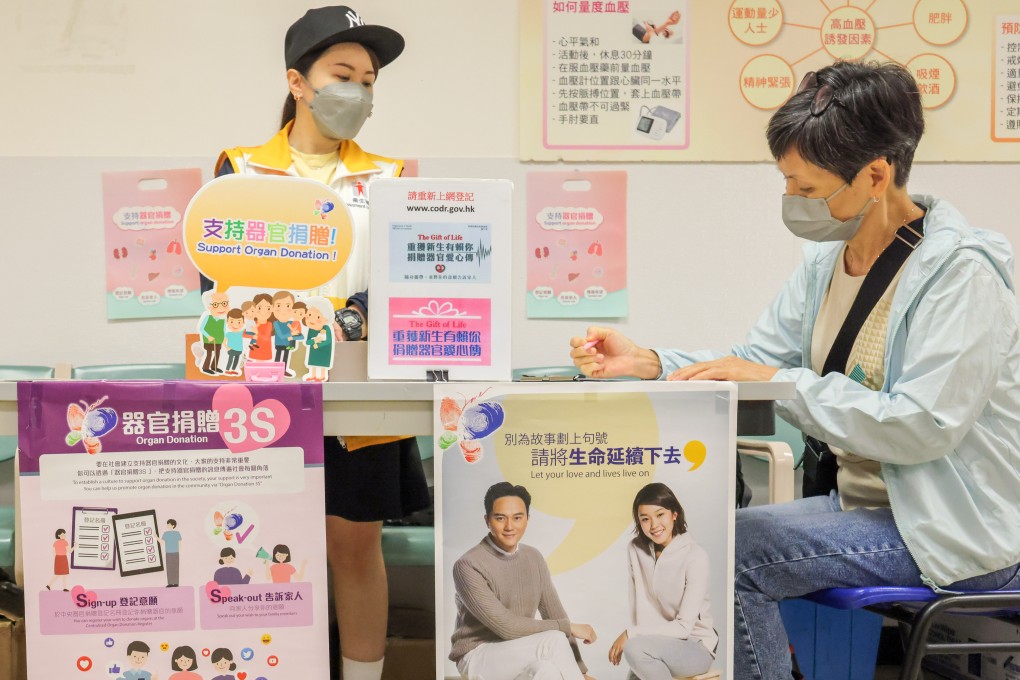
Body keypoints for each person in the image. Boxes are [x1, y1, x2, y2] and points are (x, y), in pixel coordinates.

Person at [570, 60, 1020, 679]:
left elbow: (923, 426)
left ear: (876, 174)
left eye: (807, 189)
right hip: (868, 507)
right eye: (787, 183)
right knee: (715, 538)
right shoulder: (825, 264)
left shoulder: (961, 274)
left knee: (731, 554)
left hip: (954, 528)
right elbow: (755, 362)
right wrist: (648, 361)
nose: (793, 202)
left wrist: (786, 385)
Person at [212, 8, 430, 679]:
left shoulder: (392, 175)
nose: (358, 92)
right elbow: (215, 279)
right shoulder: (241, 167)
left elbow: (407, 281)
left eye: (368, 81)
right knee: (267, 545)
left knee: (356, 549)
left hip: (362, 393)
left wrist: (355, 317)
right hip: (264, 390)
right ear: (297, 82)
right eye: (343, 74)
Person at [450, 482, 596, 680]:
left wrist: (580, 670)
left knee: (547, 671)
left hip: (521, 650)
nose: (509, 526)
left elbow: (555, 614)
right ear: (487, 520)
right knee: (553, 639)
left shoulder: (533, 557)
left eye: (517, 518)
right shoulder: (468, 565)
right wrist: (568, 626)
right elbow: (506, 626)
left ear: (528, 518)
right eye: (500, 518)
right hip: (477, 656)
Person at [609, 483, 716, 680]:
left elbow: (684, 627)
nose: (654, 525)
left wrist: (631, 634)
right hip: (654, 646)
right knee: (635, 663)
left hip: (696, 646)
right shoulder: (635, 549)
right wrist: (639, 639)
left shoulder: (695, 556)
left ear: (674, 514)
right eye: (645, 519)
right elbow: (640, 608)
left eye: (660, 515)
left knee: (634, 649)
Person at [157, 519, 183, 587]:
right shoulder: (166, 533)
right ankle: (170, 583)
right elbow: (162, 542)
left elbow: (180, 543)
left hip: (176, 552)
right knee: (169, 568)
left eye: (169, 524)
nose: (167, 525)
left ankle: (176, 583)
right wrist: (156, 537)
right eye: (167, 524)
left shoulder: (177, 533)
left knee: (176, 568)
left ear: (173, 525)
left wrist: (180, 552)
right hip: (168, 553)